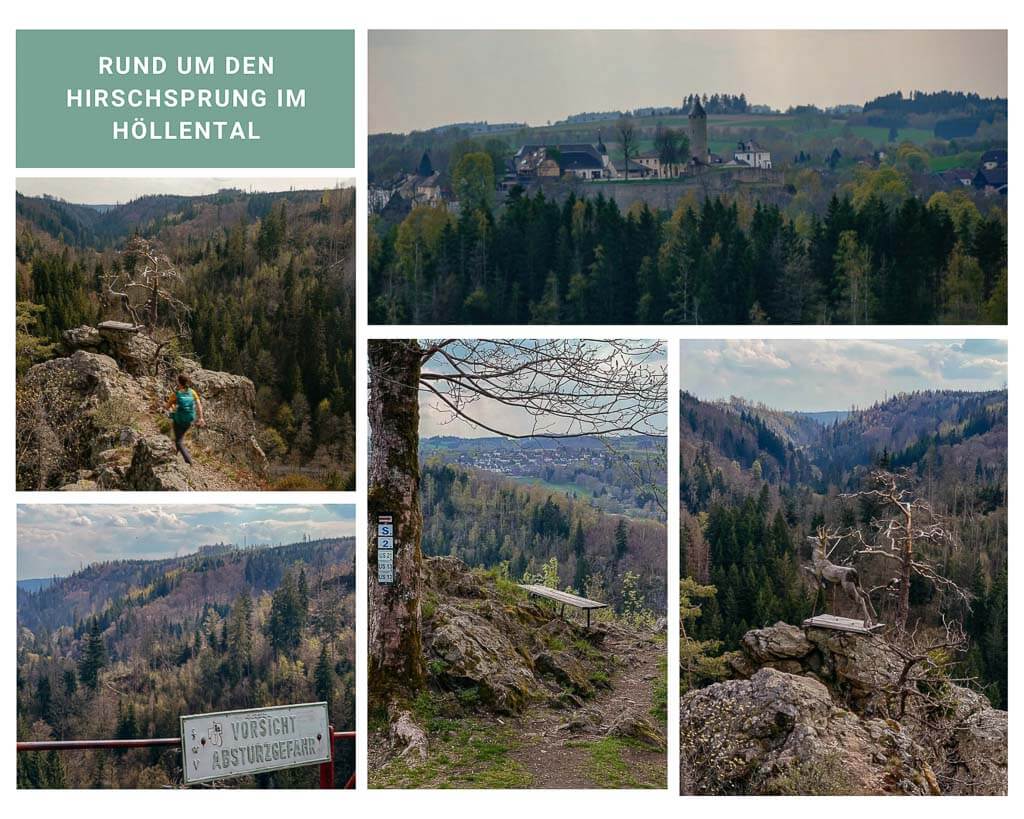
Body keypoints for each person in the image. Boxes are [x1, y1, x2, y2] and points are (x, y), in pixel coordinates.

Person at [164, 374, 205, 465]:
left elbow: (167, 407)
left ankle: (189, 461)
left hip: (178, 420)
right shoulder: (192, 392)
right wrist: (201, 418)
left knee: (178, 442)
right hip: (189, 419)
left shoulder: (176, 394)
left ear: (179, 382)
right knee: (179, 438)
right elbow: (199, 405)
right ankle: (175, 457)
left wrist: (170, 406)